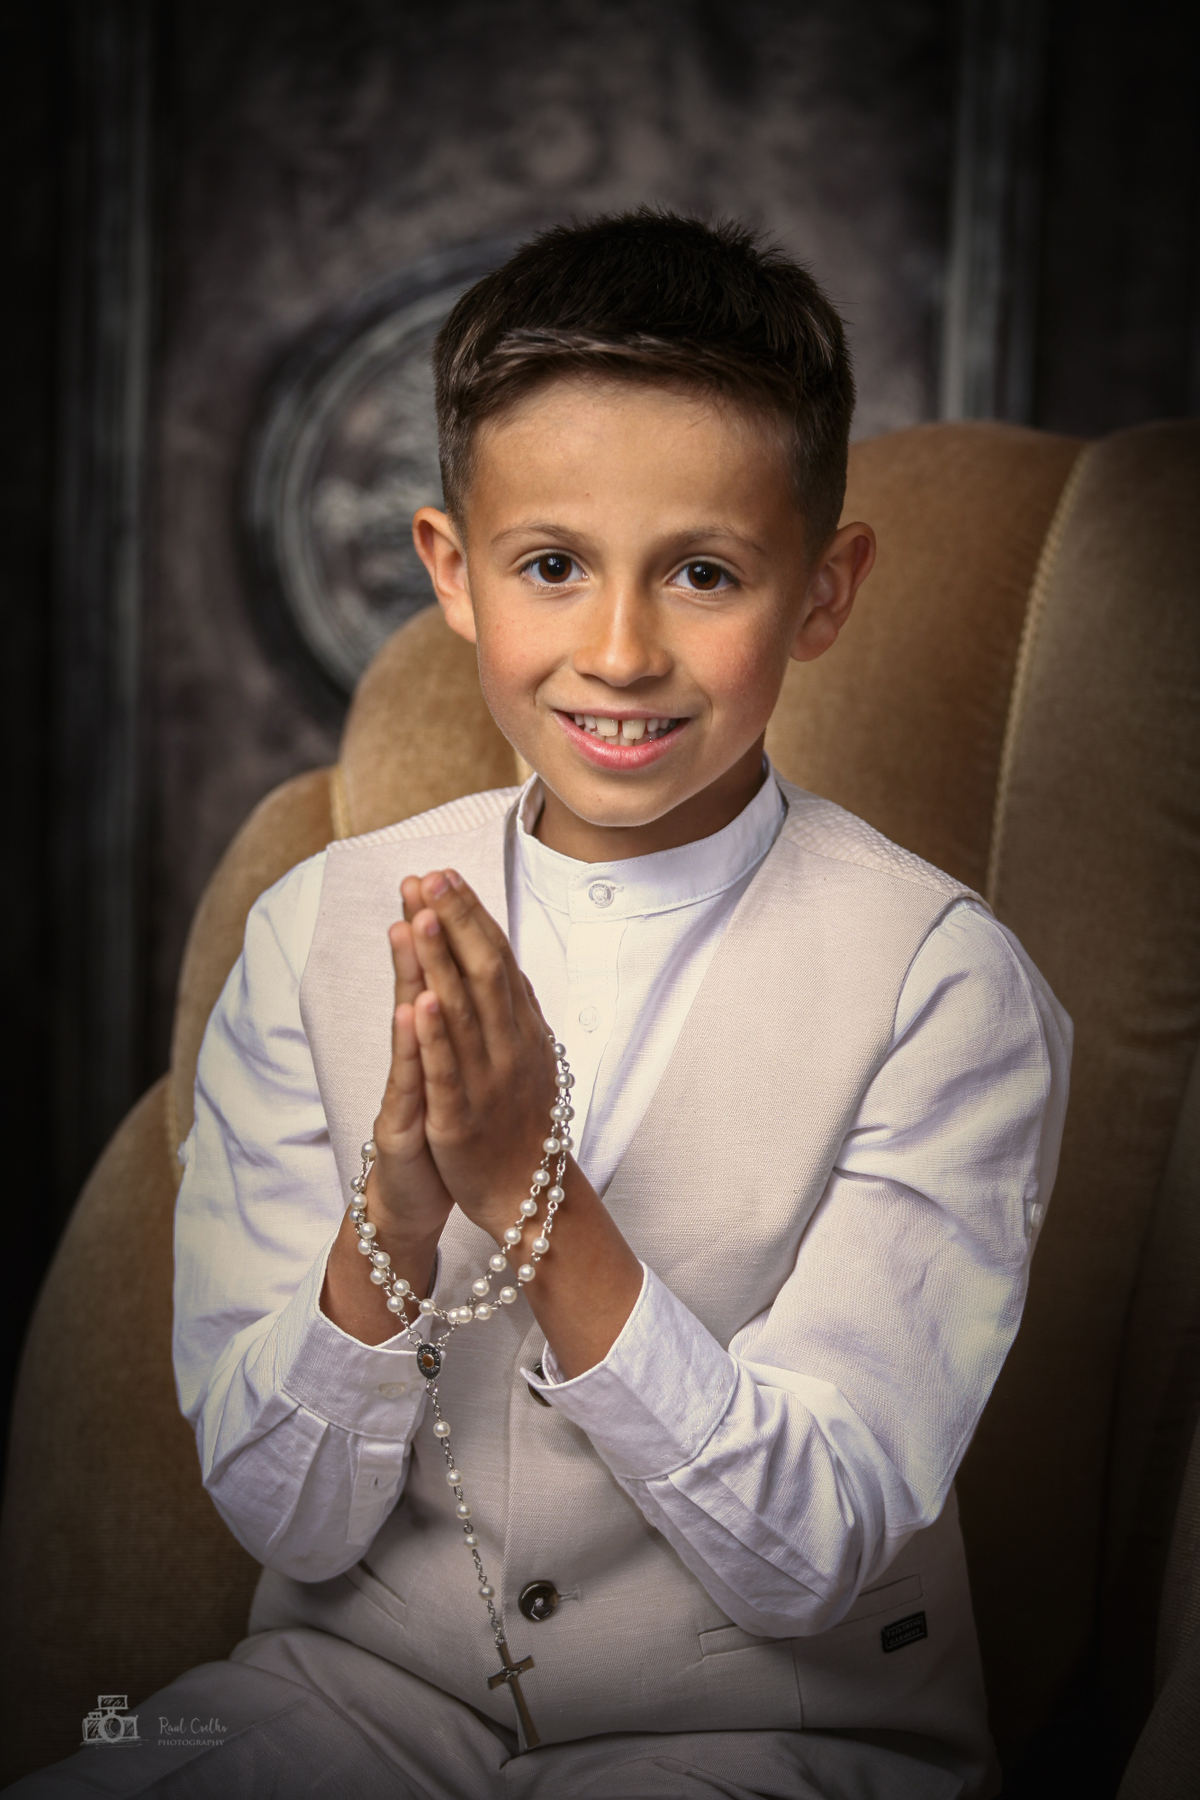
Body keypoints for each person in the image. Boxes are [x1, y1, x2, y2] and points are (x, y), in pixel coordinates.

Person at [13, 211, 1070, 1800]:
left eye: (703, 572)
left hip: (777, 1734)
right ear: (453, 571)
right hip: (360, 1693)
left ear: (823, 590)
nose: (621, 652)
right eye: (554, 566)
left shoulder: (948, 988)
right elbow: (282, 1517)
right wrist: (394, 1207)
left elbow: (811, 1553)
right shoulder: (314, 933)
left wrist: (529, 1190)